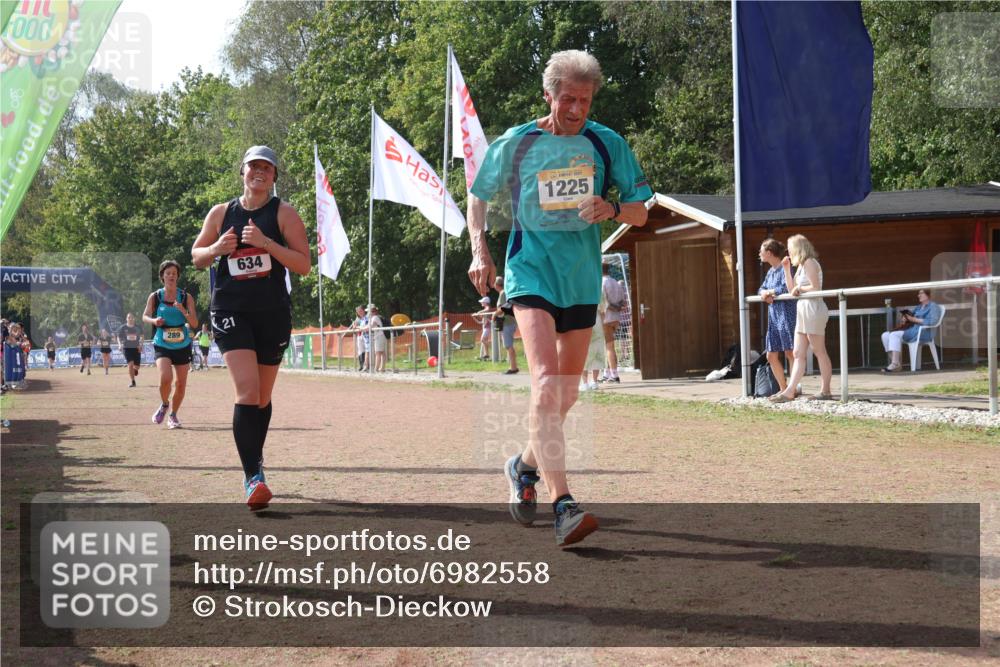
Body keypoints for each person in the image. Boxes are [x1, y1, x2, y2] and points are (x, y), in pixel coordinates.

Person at [466, 50, 652, 547]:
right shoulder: (519, 141)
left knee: (565, 395)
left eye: (584, 100)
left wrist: (611, 206)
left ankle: (522, 466)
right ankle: (563, 502)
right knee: (545, 383)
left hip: (581, 280)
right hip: (530, 273)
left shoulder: (605, 143)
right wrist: (479, 249)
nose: (575, 109)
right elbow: (478, 193)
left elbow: (641, 213)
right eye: (567, 98)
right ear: (547, 95)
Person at [191, 145, 310, 509]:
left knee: (261, 397)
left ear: (274, 176)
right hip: (231, 310)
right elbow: (196, 257)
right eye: (253, 166)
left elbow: (303, 264)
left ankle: (254, 459)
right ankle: (252, 478)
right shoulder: (221, 213)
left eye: (267, 168)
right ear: (242, 172)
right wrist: (216, 249)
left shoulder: (284, 213)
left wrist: (266, 244)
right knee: (246, 390)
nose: (259, 172)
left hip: (272, 312)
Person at [770, 234, 833, 402]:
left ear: (798, 249)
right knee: (798, 352)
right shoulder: (800, 267)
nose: (788, 253)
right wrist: (786, 269)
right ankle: (790, 391)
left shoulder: (810, 262)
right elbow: (792, 289)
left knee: (819, 350)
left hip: (813, 308)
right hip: (803, 309)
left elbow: (815, 288)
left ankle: (825, 390)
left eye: (790, 249)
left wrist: (800, 290)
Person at [143, 260, 198, 428]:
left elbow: (194, 323)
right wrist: (154, 320)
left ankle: (173, 415)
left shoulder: (185, 297)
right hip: (162, 342)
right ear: (162, 276)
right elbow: (144, 316)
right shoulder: (155, 296)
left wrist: (183, 310)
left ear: (178, 276)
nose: (171, 276)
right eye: (168, 273)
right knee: (166, 379)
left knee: (181, 383)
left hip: (182, 344)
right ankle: (164, 404)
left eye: (174, 273)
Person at [757, 238, 797, 395]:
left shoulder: (786, 268)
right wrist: (763, 293)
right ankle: (783, 388)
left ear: (769, 253)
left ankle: (791, 389)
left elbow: (787, 287)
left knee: (790, 352)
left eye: (761, 251)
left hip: (787, 315)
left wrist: (770, 292)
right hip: (774, 318)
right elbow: (762, 288)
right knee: (771, 355)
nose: (759, 254)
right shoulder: (770, 272)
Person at [881, 289, 943, 372]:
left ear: (928, 295)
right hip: (911, 331)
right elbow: (911, 317)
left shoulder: (933, 306)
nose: (918, 295)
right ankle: (897, 363)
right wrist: (905, 318)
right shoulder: (919, 307)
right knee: (885, 335)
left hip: (923, 333)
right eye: (918, 294)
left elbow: (933, 321)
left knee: (894, 335)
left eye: (921, 293)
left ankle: (894, 364)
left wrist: (914, 319)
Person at [600, 264, 626, 383]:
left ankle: (614, 375)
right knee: (608, 347)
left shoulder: (602, 283)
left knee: (609, 347)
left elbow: (603, 302)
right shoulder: (615, 282)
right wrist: (617, 308)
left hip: (606, 318)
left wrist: (613, 308)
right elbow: (623, 302)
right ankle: (607, 373)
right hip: (616, 318)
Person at [580, 284, 607, 391]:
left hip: (582, 321)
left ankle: (585, 383)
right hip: (597, 320)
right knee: (597, 351)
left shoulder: (579, 288)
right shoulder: (597, 288)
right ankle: (595, 382)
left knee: (583, 352)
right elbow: (603, 310)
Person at [494, 277, 519, 374]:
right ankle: (513, 366)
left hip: (506, 322)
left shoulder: (503, 293)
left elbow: (503, 308)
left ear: (496, 285)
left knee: (508, 345)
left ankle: (513, 368)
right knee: (508, 345)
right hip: (509, 322)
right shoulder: (505, 292)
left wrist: (494, 314)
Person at [117, 312, 143, 388]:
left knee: (137, 367)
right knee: (130, 364)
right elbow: (118, 337)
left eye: (131, 317)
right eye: (129, 317)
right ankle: (133, 382)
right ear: (126, 319)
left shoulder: (138, 327)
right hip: (127, 348)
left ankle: (135, 370)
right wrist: (119, 344)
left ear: (134, 318)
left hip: (136, 348)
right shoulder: (123, 328)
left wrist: (141, 344)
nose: (130, 319)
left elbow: (141, 336)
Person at [366, 304, 387, 372]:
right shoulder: (373, 318)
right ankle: (382, 368)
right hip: (379, 336)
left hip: (379, 336)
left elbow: (370, 326)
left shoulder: (375, 317)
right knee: (382, 353)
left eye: (369, 311)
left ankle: (376, 369)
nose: (368, 313)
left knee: (378, 353)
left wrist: (362, 329)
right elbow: (368, 326)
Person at [473, 296, 493, 361]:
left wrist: (479, 312)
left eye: (482, 302)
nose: (481, 303)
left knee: (482, 339)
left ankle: (487, 354)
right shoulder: (485, 308)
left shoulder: (487, 308)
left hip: (488, 326)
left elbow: (487, 310)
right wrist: (475, 316)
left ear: (486, 302)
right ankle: (486, 355)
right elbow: (481, 320)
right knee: (484, 340)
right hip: (485, 326)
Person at [349, 306, 367, 371]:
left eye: (360, 311)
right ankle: (361, 365)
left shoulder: (367, 317)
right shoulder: (357, 318)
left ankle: (366, 365)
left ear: (363, 310)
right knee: (360, 350)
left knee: (365, 350)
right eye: (358, 311)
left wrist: (358, 327)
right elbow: (354, 326)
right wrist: (355, 326)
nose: (359, 312)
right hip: (359, 335)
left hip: (365, 335)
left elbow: (364, 326)